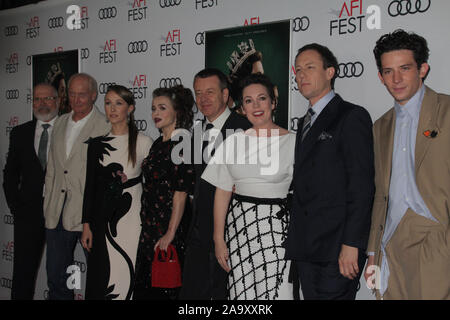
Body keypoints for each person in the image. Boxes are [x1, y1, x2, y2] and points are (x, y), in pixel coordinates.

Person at [364, 29, 450, 300]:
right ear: (380, 77)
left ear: (422, 69)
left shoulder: (446, 111)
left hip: (436, 235)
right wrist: (372, 254)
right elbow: (381, 194)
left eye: (405, 68)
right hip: (390, 241)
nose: (396, 79)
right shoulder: (380, 126)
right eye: (388, 72)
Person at [285, 43, 375, 300]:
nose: (302, 75)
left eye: (310, 67)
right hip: (306, 248)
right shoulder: (305, 122)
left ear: (330, 72)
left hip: (336, 249)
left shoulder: (351, 116)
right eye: (298, 70)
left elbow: (362, 187)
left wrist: (352, 244)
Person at [202, 73, 295, 300]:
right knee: (241, 296)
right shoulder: (233, 141)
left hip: (277, 234)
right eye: (248, 101)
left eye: (262, 98)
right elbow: (222, 191)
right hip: (239, 231)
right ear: (242, 108)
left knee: (278, 294)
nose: (256, 106)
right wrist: (218, 239)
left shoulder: (294, 142)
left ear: (273, 102)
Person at [180, 68, 251, 300]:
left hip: (231, 236)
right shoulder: (197, 131)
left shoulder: (245, 128)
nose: (203, 99)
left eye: (210, 92)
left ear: (225, 94)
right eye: (198, 93)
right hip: (198, 235)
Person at [80, 85, 152, 300]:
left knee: (128, 273)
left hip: (132, 221)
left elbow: (154, 185)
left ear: (130, 108)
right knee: (104, 277)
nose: (112, 108)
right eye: (108, 103)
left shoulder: (144, 142)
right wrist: (86, 226)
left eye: (118, 103)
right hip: (102, 222)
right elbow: (89, 188)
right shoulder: (96, 145)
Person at [43, 73, 110, 300]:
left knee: (99, 279)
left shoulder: (105, 125)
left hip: (89, 213)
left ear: (93, 95)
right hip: (57, 212)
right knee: (56, 277)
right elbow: (52, 168)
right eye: (72, 93)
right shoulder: (59, 122)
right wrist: (47, 204)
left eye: (82, 94)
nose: (76, 99)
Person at [133, 85, 194, 300]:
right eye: (153, 108)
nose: (155, 114)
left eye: (162, 108)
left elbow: (181, 192)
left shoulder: (183, 143)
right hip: (150, 226)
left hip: (170, 227)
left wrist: (170, 232)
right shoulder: (158, 143)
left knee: (166, 289)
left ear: (176, 111)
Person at [2, 83, 59, 300]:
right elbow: (10, 175)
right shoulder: (20, 132)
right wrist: (17, 208)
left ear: (58, 100)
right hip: (28, 216)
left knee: (59, 277)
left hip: (61, 214)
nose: (42, 104)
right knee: (22, 278)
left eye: (47, 99)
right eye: (37, 99)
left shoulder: (68, 129)